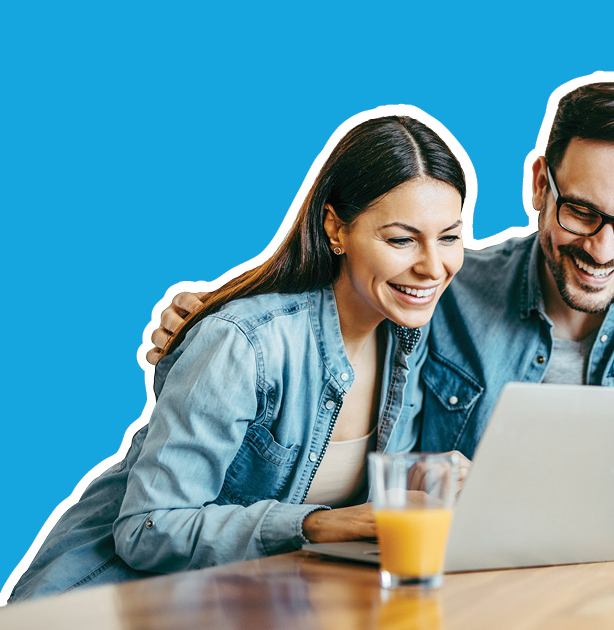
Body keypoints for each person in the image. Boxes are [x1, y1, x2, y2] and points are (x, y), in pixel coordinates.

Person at [150, 79, 614, 544]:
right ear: (537, 186)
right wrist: (220, 321)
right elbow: (329, 311)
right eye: (580, 211)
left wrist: (518, 499)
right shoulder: (448, 285)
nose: (603, 249)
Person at [10, 113, 467, 601]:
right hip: (105, 601)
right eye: (401, 239)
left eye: (450, 237)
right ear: (336, 230)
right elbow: (148, 529)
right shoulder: (245, 343)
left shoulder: (405, 340)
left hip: (242, 602)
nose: (433, 267)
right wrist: (317, 525)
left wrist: (425, 477)